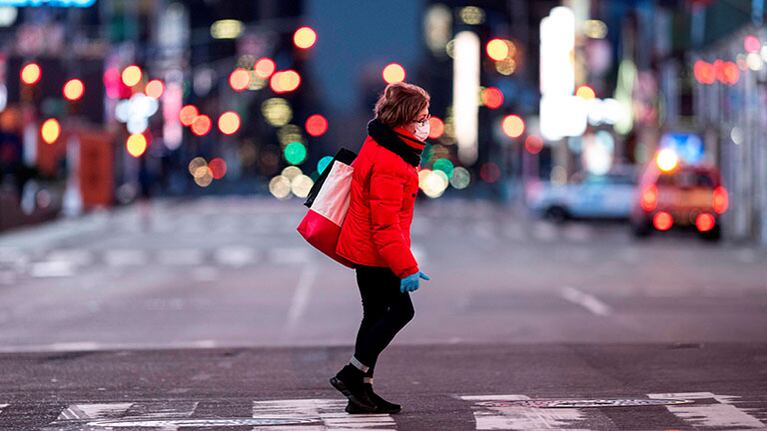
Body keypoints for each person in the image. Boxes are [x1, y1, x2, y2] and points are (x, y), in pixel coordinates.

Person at [331, 82, 432, 414]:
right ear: (405, 118)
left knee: (374, 315)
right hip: (375, 253)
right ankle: (352, 373)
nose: (426, 122)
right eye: (422, 115)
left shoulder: (386, 146)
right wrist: (406, 267)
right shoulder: (391, 160)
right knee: (402, 312)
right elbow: (384, 224)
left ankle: (362, 393)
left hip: (370, 250)